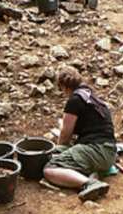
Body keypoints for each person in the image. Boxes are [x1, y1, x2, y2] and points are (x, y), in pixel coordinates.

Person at [42, 67, 116, 201]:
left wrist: (59, 150)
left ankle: (89, 183)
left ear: (64, 87)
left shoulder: (75, 100)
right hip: (108, 152)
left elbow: (65, 135)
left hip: (95, 149)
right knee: (64, 155)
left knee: (50, 168)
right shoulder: (92, 97)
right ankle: (90, 173)